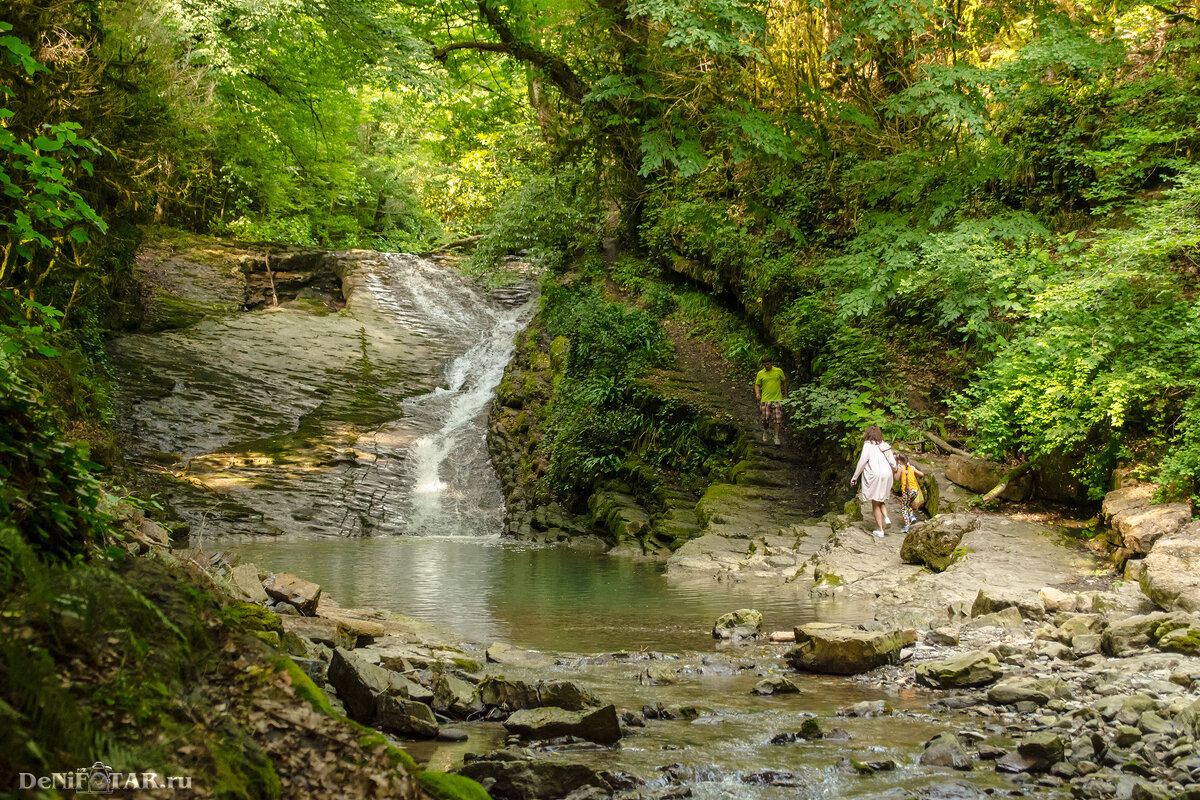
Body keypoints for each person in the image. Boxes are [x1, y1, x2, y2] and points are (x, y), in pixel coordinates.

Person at [850, 424, 898, 538]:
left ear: (867, 434)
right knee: (880, 499)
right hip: (887, 474)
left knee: (875, 502)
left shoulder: (867, 446)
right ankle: (886, 518)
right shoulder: (885, 445)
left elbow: (862, 462)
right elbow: (892, 462)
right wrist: (895, 469)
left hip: (875, 475)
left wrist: (855, 477)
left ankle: (880, 530)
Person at [754, 357, 788, 446]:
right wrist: (757, 393)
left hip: (777, 399)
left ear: (771, 363)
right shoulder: (760, 373)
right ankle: (765, 431)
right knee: (765, 418)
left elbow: (784, 381)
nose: (766, 366)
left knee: (777, 418)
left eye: (768, 364)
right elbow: (757, 385)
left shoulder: (778, 371)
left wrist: (785, 394)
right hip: (765, 399)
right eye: (765, 365)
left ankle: (776, 437)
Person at [894, 454, 925, 532]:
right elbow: (922, 474)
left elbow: (896, 478)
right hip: (915, 490)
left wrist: (894, 472)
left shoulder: (901, 467)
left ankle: (907, 526)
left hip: (907, 491)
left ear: (899, 461)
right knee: (909, 504)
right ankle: (912, 516)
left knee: (904, 508)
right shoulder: (912, 467)